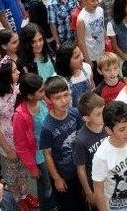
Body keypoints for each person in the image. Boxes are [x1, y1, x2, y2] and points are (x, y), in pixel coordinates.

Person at [0, 55, 38, 209]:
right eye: (14, 71)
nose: (19, 72)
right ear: (3, 78)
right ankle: (18, 198)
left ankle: (25, 193)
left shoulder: (16, 87)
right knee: (12, 172)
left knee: (23, 168)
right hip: (8, 141)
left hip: (22, 134)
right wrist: (8, 149)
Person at [39, 76, 86, 210]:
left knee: (82, 200)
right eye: (58, 98)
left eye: (66, 95)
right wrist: (56, 178)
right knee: (68, 205)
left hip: (79, 167)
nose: (64, 100)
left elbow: (81, 136)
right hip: (64, 174)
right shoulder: (47, 127)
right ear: (48, 99)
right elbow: (47, 154)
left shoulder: (75, 113)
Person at [13, 73, 54, 211]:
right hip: (40, 157)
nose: (44, 92)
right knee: (46, 186)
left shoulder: (43, 102)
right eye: (41, 91)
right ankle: (47, 207)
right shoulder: (20, 116)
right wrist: (32, 167)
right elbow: (21, 145)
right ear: (30, 96)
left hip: (51, 150)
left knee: (53, 181)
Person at [73, 92, 107, 209]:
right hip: (96, 185)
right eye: (98, 114)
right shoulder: (81, 140)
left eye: (104, 111)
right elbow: (81, 168)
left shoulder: (108, 125)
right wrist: (88, 192)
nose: (104, 115)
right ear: (86, 118)